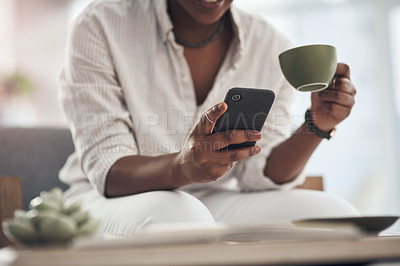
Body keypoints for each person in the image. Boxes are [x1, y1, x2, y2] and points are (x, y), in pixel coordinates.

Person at [58, 0, 359, 238]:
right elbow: (108, 169)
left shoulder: (269, 44)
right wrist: (182, 167)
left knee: (337, 217)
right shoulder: (100, 24)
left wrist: (317, 123)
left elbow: (259, 173)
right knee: (183, 219)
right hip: (108, 201)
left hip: (213, 199)